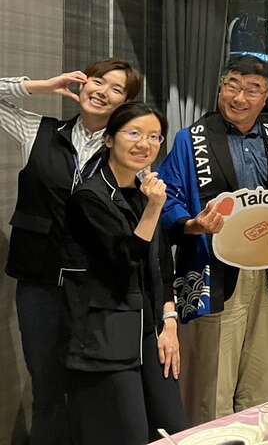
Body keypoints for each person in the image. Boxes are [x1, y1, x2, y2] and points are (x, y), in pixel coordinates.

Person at [0, 60, 140, 445]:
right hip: (40, 286)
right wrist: (45, 85)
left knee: (93, 390)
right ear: (82, 83)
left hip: (99, 291)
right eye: (98, 81)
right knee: (46, 387)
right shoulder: (39, 132)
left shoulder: (127, 149)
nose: (102, 92)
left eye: (116, 89)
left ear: (126, 104)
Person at [159, 55, 268, 423]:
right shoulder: (191, 140)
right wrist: (193, 224)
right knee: (214, 383)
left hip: (266, 271)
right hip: (215, 269)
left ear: (265, 97)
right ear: (221, 87)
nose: (240, 97)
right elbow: (167, 198)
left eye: (252, 90)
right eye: (232, 86)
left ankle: (255, 434)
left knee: (259, 375)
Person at [63, 103, 188, 444]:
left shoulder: (144, 194)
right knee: (127, 433)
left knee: (174, 429)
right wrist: (154, 208)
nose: (144, 144)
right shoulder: (88, 197)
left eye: (154, 137)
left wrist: (170, 323)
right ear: (108, 139)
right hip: (106, 335)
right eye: (134, 133)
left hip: (150, 329)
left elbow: (161, 265)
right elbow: (123, 262)